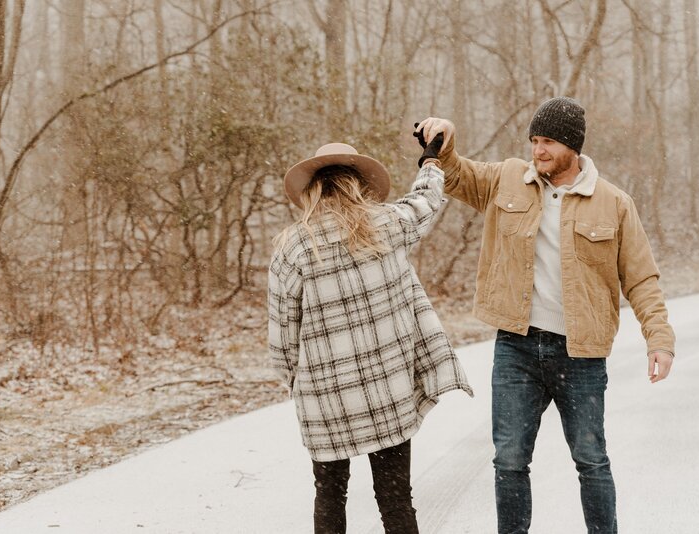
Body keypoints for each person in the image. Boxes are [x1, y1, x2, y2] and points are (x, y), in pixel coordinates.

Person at [415, 96, 675, 534]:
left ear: (573, 146)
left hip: (581, 353)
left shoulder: (613, 203)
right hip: (516, 347)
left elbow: (642, 279)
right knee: (510, 460)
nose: (538, 150)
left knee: (591, 460)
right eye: (535, 140)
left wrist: (660, 339)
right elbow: (456, 176)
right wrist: (444, 143)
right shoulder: (507, 180)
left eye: (549, 142)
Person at [268, 137, 473, 534]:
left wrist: (298, 381)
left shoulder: (292, 248)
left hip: (325, 399)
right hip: (388, 392)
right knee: (395, 497)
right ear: (359, 184)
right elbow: (427, 200)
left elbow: (283, 340)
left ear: (313, 188)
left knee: (329, 495)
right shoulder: (388, 225)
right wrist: (430, 160)